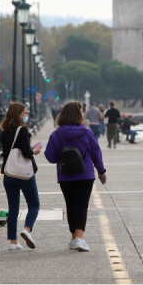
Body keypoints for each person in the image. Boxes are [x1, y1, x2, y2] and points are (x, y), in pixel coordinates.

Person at [44, 101, 106, 252]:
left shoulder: (56, 134)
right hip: (85, 174)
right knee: (81, 206)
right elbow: (96, 152)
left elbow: (50, 157)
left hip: (65, 175)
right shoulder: (86, 132)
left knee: (70, 205)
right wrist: (101, 170)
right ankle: (79, 238)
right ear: (79, 115)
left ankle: (74, 238)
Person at [0, 102, 41, 251]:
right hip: (24, 174)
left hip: (9, 173)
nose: (26, 115)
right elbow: (26, 152)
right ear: (17, 114)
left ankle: (13, 242)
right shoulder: (22, 130)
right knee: (34, 203)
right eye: (24, 113)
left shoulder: (4, 132)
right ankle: (27, 229)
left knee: (13, 208)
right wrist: (34, 151)